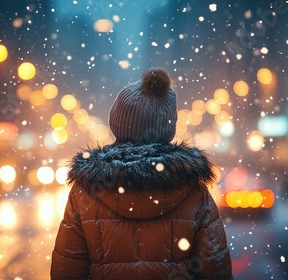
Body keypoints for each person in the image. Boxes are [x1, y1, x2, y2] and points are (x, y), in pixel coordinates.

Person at [50, 68, 233, 279]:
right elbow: (215, 270)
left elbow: (67, 270)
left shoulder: (87, 191)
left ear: (116, 123)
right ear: (168, 126)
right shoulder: (193, 191)